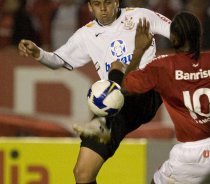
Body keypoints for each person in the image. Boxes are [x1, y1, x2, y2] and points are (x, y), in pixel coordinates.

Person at [17, 0, 171, 183]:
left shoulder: (141, 16)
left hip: (146, 94)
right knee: (82, 173)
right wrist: (38, 54)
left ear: (116, 2)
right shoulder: (86, 34)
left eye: (108, 3)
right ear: (90, 7)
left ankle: (101, 119)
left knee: (117, 66)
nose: (103, 9)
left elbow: (179, 31)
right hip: (116, 110)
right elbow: (57, 60)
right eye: (97, 4)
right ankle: (102, 119)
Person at [121, 8, 210, 184]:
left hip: (193, 156)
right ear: (199, 36)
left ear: (173, 38)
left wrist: (138, 50)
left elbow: (125, 87)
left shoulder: (162, 67)